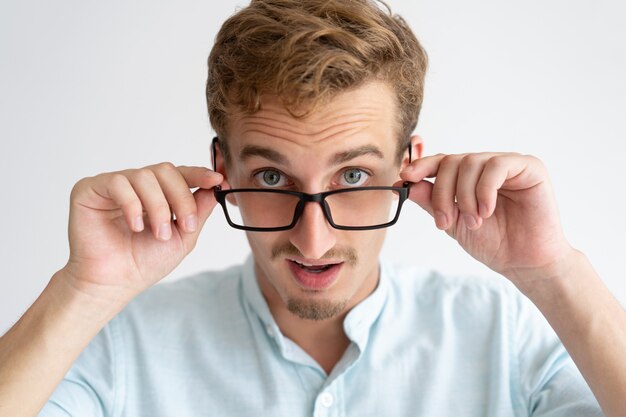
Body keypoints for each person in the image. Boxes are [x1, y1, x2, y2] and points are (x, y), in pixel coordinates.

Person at [1, 0, 624, 416]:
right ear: (224, 171)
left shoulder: (509, 339)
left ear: (407, 167)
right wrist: (81, 290)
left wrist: (555, 274)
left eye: (353, 175)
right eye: (271, 176)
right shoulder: (122, 350)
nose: (314, 239)